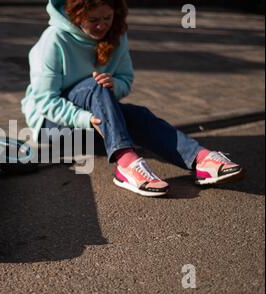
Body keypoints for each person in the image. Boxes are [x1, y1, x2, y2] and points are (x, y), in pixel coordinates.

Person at [21, 0, 245, 197]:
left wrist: (114, 85)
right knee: (95, 86)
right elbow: (44, 101)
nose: (101, 26)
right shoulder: (54, 40)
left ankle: (201, 160)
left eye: (107, 17)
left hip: (98, 121)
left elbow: (125, 80)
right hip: (54, 127)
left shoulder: (117, 34)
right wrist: (86, 119)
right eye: (93, 19)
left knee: (137, 115)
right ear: (76, 14)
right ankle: (126, 163)